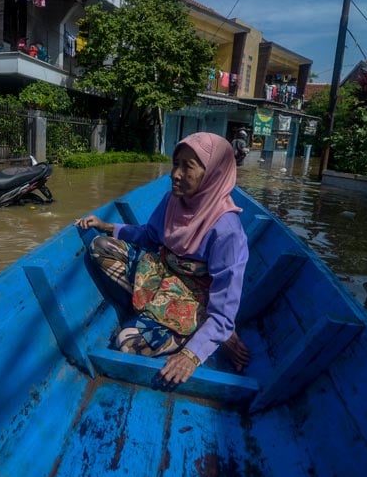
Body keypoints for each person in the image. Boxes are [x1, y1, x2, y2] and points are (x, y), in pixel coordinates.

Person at [75, 132, 251, 388]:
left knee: (126, 342)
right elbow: (149, 235)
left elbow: (224, 310)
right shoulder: (173, 200)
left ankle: (207, 333)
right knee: (100, 246)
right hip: (162, 271)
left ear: (212, 173)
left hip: (194, 300)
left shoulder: (227, 232)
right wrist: (107, 226)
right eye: (175, 163)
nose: (175, 174)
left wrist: (192, 355)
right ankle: (154, 312)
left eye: (187, 167)